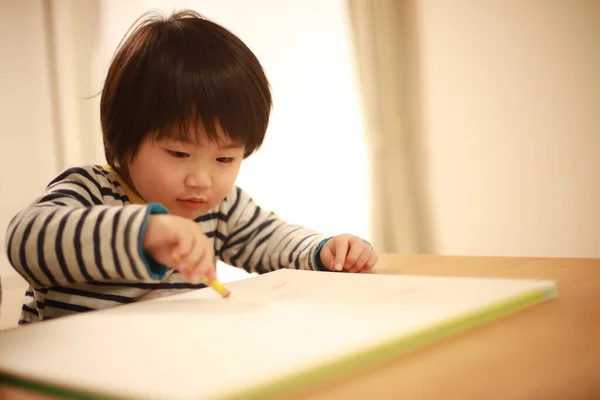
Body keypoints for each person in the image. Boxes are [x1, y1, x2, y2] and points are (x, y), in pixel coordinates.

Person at [4, 10, 378, 325]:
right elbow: (24, 240)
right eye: (179, 154)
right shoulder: (91, 190)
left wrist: (325, 249)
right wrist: (145, 232)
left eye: (225, 159)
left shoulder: (219, 207)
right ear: (124, 137)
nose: (202, 179)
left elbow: (273, 240)